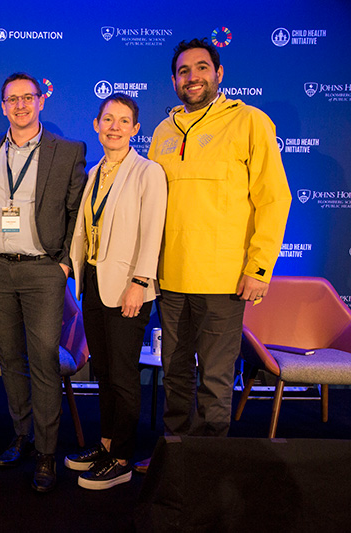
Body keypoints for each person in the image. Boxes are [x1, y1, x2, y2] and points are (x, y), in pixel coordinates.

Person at [148, 38, 291, 441]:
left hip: (223, 280)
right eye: (183, 71)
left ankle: (208, 467)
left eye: (201, 68)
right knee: (175, 376)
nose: (192, 77)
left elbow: (274, 199)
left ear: (218, 73)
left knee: (214, 379)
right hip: (170, 279)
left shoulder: (250, 121)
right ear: (174, 80)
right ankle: (175, 459)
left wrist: (258, 268)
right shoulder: (162, 131)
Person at [0, 72, 86, 492]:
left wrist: (65, 266)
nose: (20, 105)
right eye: (12, 99)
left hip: (44, 270)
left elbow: (77, 213)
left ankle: (46, 451)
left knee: (43, 360)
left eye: (28, 97)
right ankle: (21, 435)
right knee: (10, 357)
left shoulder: (68, 150)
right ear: (3, 107)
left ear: (41, 101)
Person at [66, 94, 167, 489]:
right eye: (108, 119)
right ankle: (106, 444)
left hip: (129, 289)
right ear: (96, 124)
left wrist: (140, 284)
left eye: (124, 121)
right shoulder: (93, 173)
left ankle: (122, 458)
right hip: (92, 283)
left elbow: (152, 232)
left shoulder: (148, 173)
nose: (115, 127)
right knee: (104, 372)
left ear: (135, 129)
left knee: (124, 377)